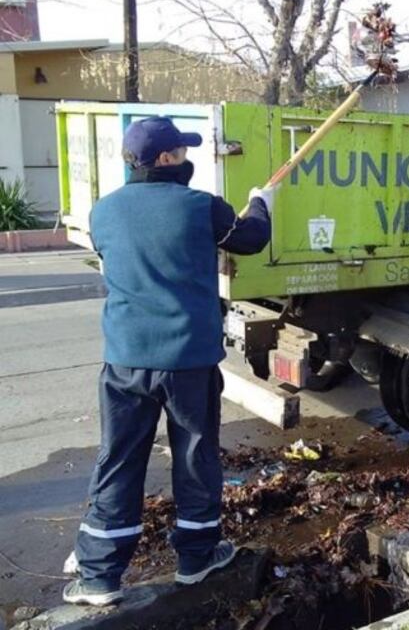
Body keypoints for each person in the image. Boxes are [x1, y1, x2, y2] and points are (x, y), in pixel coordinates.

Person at [63, 116, 274, 605]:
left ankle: (99, 576)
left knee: (118, 460)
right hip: (189, 363)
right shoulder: (201, 208)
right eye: (180, 151)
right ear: (164, 159)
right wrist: (263, 202)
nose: (186, 158)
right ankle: (197, 557)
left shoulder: (103, 212)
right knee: (195, 455)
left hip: (125, 362)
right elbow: (251, 239)